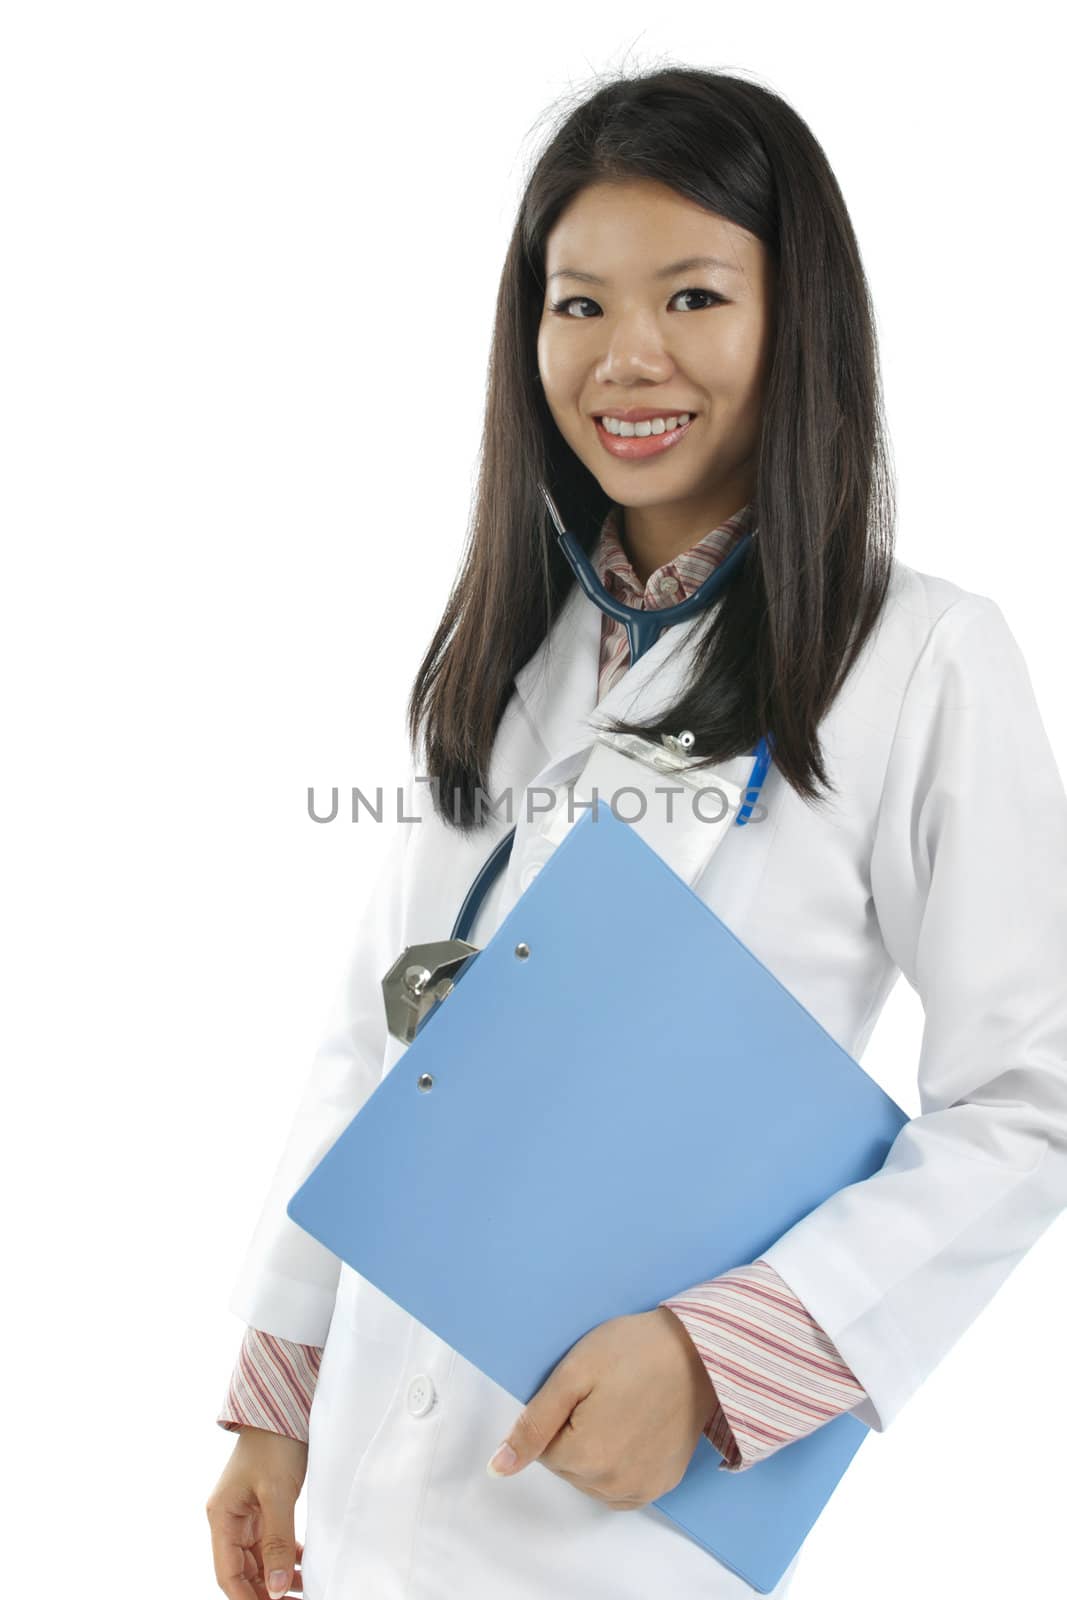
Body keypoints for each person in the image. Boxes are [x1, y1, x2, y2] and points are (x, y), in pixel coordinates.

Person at [205, 64, 1067, 1600]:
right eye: (579, 304)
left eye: (692, 295)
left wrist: (723, 1353)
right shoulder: (507, 651)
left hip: (615, 1517)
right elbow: (371, 1042)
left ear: (798, 318)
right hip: (363, 1493)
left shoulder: (920, 657)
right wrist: (277, 1400)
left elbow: (1032, 1094)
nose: (628, 357)